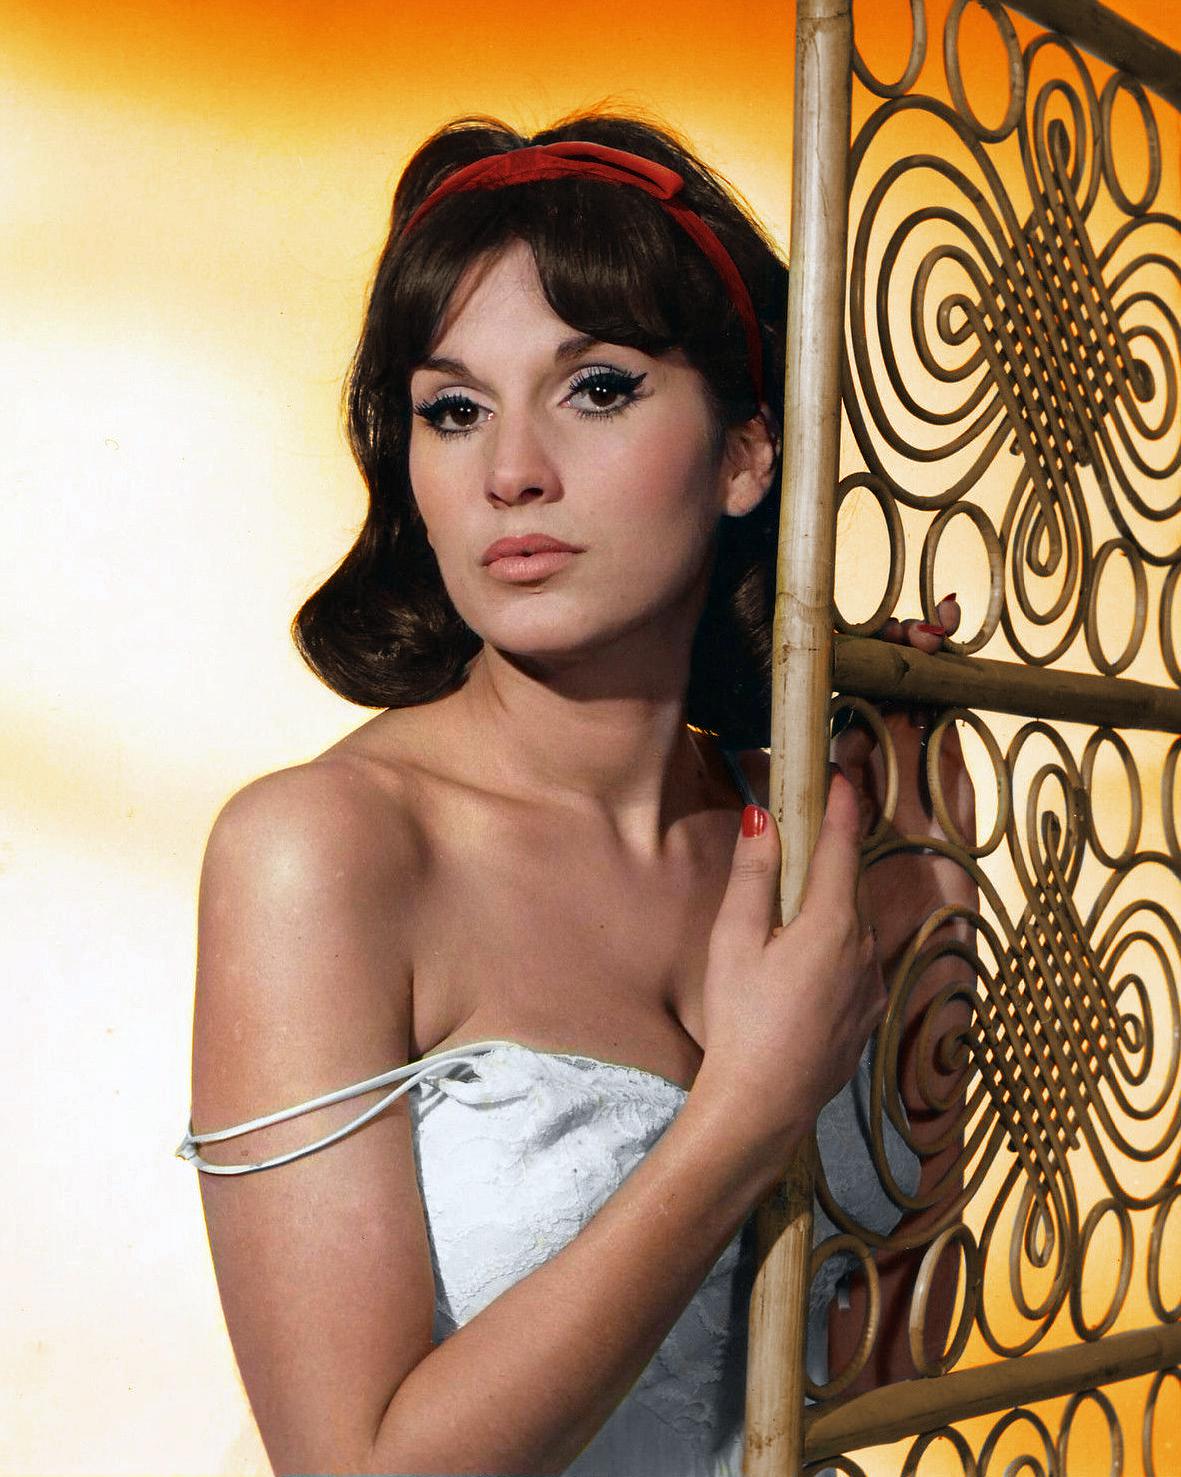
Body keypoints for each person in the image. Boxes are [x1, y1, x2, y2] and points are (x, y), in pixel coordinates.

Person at [178, 110, 974, 1476]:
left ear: (746, 454)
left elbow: (884, 1372)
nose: (511, 473)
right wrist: (745, 1115)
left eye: (596, 388)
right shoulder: (322, 851)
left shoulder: (820, 838)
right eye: (454, 410)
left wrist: (932, 880)